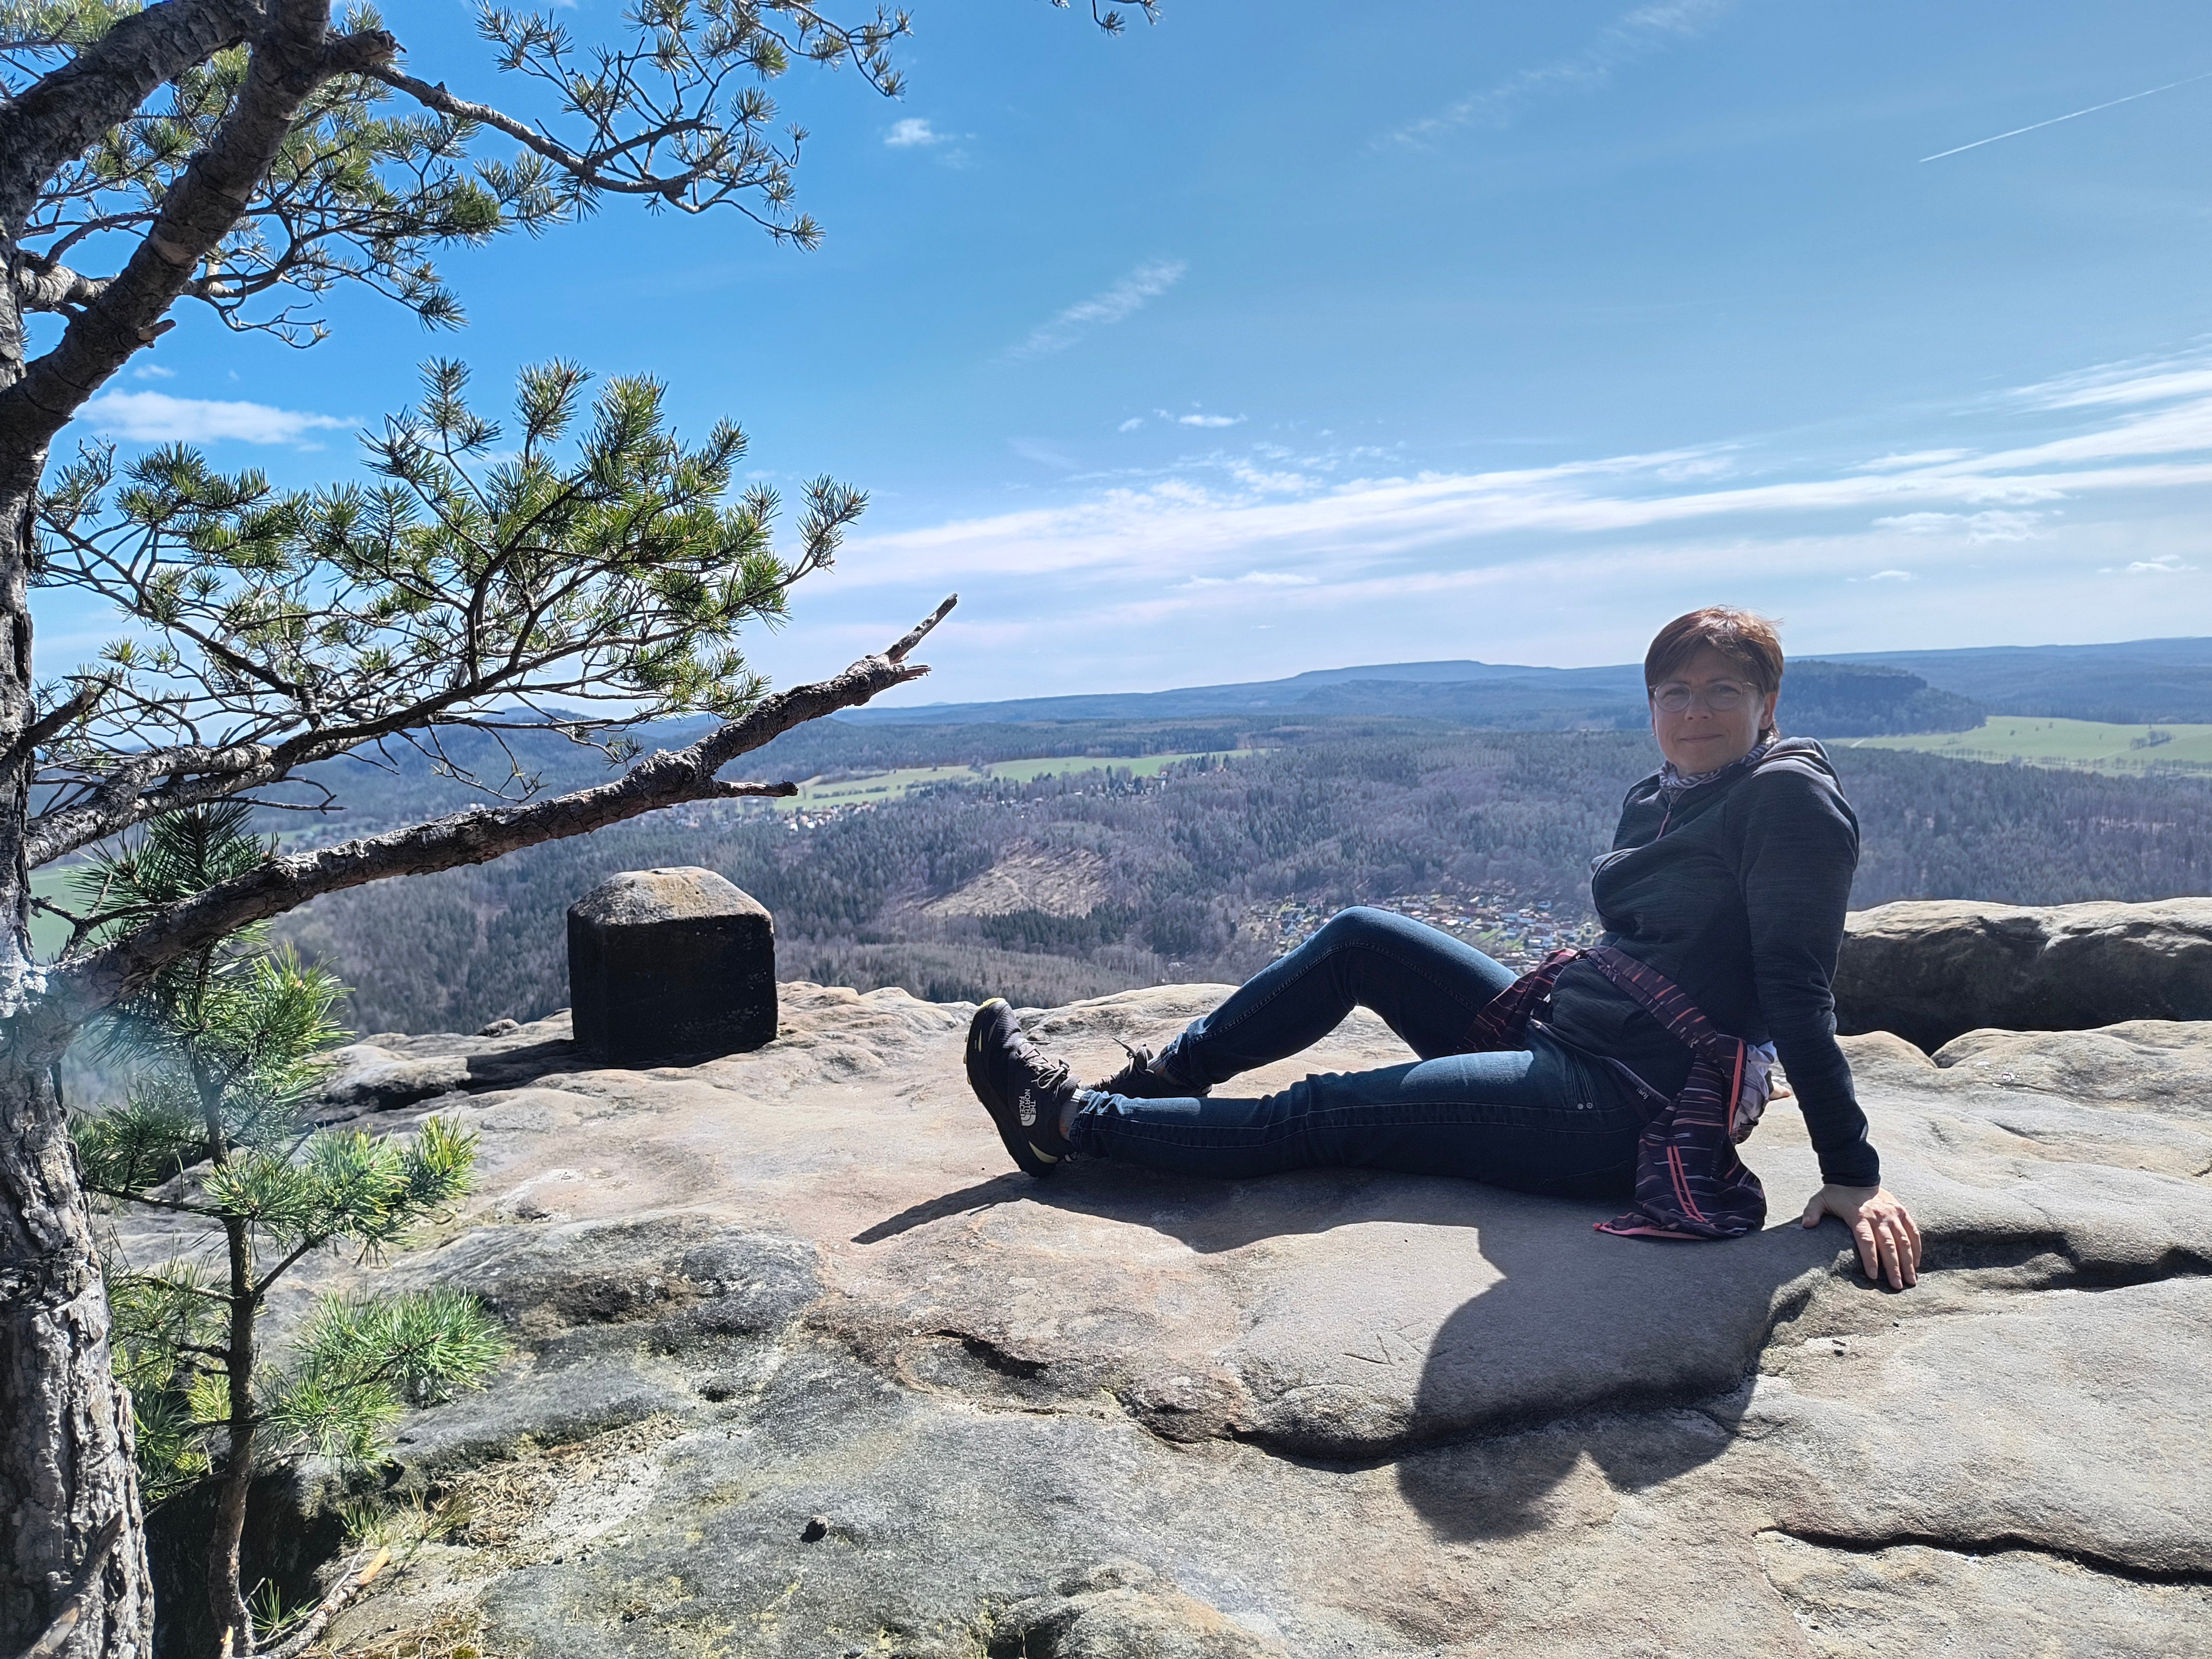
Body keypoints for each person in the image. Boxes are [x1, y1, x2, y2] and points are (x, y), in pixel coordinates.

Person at [962, 607, 1923, 1291]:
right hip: (1571, 1030)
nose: (1696, 710)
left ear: (1769, 701)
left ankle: (1070, 1124)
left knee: (1329, 1112)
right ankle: (1171, 1083)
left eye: (1724, 691)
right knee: (1361, 938)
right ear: (1650, 702)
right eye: (1674, 691)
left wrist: (1853, 1172)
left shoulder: (1786, 799)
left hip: (1620, 1102)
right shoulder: (1665, 791)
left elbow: (1797, 992)